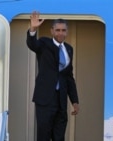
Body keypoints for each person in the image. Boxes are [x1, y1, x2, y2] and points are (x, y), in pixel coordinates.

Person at [26, 11, 80, 141]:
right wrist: (33, 29)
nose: (60, 33)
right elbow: (32, 44)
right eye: (57, 30)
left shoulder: (69, 49)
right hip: (45, 99)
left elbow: (69, 77)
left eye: (63, 30)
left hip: (61, 100)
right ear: (52, 31)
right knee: (44, 135)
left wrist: (74, 101)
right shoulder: (44, 43)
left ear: (66, 32)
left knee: (59, 136)